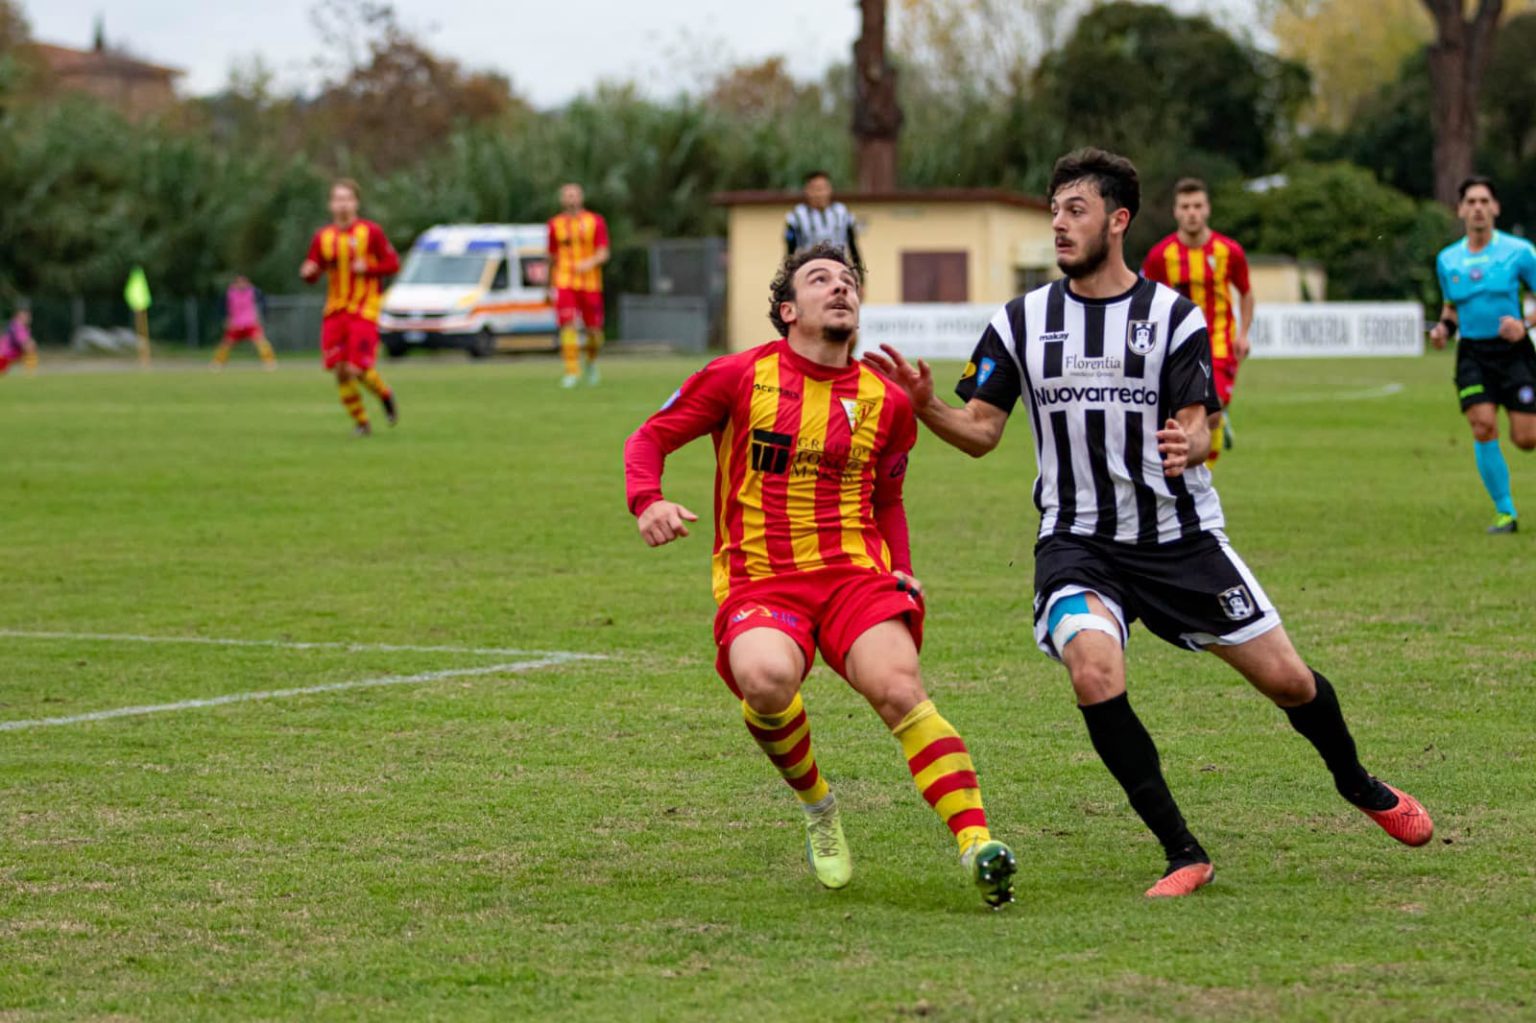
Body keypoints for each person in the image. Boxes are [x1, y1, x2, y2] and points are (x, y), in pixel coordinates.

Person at [865, 148, 1433, 900]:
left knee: (1290, 680)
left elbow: (1198, 428)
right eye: (1055, 209)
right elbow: (980, 430)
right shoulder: (1021, 321)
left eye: (1076, 209)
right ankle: (1182, 849)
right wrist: (927, 404)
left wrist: (1188, 442)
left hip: (1180, 537)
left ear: (1118, 219)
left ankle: (1357, 781)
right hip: (1078, 540)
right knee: (1093, 667)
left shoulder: (1172, 318)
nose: (1060, 224)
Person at [623, 242, 1017, 907]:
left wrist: (906, 573)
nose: (840, 288)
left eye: (848, 281)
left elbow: (887, 501)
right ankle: (818, 805)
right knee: (767, 680)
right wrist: (648, 499)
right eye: (820, 280)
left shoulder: (887, 400)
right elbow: (649, 437)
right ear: (787, 309)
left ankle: (978, 843)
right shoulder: (739, 375)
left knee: (898, 687)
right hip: (763, 580)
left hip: (853, 578)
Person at [1428, 175, 1536, 534]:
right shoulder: (1448, 260)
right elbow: (1451, 308)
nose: (1477, 208)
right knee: (1483, 425)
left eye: (1483, 201)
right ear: (1460, 210)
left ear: (1495, 208)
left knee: (1526, 438)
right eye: (1470, 202)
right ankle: (1506, 513)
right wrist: (1444, 329)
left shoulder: (1519, 252)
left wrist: (1524, 324)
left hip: (1513, 352)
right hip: (1473, 354)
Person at [1141, 178, 1253, 462]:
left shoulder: (1230, 251)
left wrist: (1244, 334)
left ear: (1207, 209)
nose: (1192, 212)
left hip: (1219, 343)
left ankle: (1204, 478)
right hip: (1177, 346)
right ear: (1176, 211)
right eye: (1185, 206)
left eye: (1197, 206)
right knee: (1188, 415)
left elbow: (1246, 293)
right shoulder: (1159, 256)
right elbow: (1148, 302)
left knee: (1209, 414)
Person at [299, 179, 400, 436]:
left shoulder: (371, 232)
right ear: (330, 204)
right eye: (337, 199)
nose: (342, 204)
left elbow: (392, 264)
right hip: (335, 311)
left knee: (357, 367)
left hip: (364, 309)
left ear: (356, 202)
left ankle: (385, 395)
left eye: (347, 199)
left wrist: (369, 268)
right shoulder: (323, 237)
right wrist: (308, 272)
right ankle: (362, 423)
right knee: (341, 371)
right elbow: (313, 269)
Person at [547, 183, 609, 388]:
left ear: (581, 198)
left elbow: (603, 253)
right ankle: (572, 371)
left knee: (594, 332)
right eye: (567, 196)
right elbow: (552, 256)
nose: (571, 199)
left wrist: (588, 263)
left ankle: (590, 362)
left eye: (574, 195)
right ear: (562, 199)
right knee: (568, 325)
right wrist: (548, 285)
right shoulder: (555, 224)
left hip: (590, 284)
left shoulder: (596, 222)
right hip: (564, 281)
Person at [785, 170, 862, 270]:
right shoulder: (797, 216)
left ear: (830, 189)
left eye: (823, 188)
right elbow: (790, 251)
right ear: (807, 191)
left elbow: (853, 247)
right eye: (816, 189)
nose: (820, 193)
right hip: (809, 270)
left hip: (838, 268)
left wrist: (860, 278)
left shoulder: (842, 213)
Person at [211, 275, 277, 371]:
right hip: (235, 324)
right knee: (225, 344)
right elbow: (222, 307)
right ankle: (218, 363)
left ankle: (269, 362)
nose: (241, 284)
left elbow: (263, 303)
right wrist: (226, 319)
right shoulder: (229, 293)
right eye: (239, 282)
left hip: (250, 323)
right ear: (235, 284)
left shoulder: (254, 292)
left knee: (261, 342)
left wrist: (260, 316)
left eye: (243, 282)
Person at [0, 308, 37, 375]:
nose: (28, 318)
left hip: (7, 354)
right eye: (26, 316)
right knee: (30, 345)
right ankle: (30, 372)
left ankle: (30, 371)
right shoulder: (18, 326)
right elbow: (24, 343)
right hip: (4, 355)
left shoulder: (15, 325)